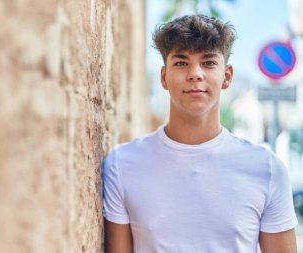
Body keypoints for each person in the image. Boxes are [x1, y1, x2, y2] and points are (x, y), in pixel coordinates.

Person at [102, 14, 298, 253]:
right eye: (181, 62)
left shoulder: (267, 169)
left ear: (227, 76)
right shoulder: (121, 164)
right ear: (164, 77)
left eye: (208, 62)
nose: (195, 74)